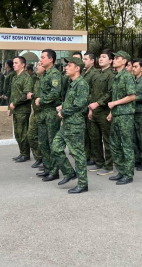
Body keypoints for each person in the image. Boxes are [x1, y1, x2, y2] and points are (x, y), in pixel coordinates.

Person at [51, 57, 90, 193]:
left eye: (69, 65)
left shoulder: (81, 84)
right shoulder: (71, 83)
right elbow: (72, 101)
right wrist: (62, 106)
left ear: (77, 68)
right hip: (66, 124)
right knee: (55, 148)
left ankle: (83, 184)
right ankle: (69, 172)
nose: (66, 68)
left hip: (75, 125)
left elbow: (80, 104)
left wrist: (63, 112)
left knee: (77, 154)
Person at [35, 49, 73, 182]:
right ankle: (47, 168)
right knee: (43, 142)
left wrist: (41, 100)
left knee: (52, 142)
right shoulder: (44, 74)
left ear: (51, 59)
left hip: (51, 112)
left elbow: (55, 93)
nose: (41, 60)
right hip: (43, 113)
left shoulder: (55, 74)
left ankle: (54, 171)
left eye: (43, 57)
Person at [107, 50, 136, 185]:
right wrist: (111, 112)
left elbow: (132, 96)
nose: (114, 60)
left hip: (125, 115)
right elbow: (115, 97)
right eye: (114, 58)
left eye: (117, 58)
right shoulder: (117, 76)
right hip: (117, 115)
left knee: (127, 145)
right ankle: (121, 171)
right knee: (114, 144)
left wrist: (115, 104)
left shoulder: (127, 76)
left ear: (124, 61)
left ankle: (128, 174)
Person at [88, 49, 115, 176]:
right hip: (95, 112)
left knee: (107, 139)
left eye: (104, 57)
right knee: (95, 138)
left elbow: (110, 93)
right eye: (100, 57)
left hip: (104, 111)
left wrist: (98, 103)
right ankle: (99, 162)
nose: (101, 59)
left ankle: (109, 165)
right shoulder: (97, 74)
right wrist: (90, 109)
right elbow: (92, 93)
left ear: (110, 60)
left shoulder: (111, 75)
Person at [8, 56, 33, 163]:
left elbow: (26, 95)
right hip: (16, 109)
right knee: (18, 133)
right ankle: (22, 152)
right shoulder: (15, 77)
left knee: (23, 133)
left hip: (23, 109)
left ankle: (25, 154)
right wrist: (10, 107)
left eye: (16, 63)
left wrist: (15, 103)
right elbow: (13, 94)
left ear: (23, 65)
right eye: (13, 63)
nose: (14, 64)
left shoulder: (26, 77)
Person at [82, 52, 100, 167]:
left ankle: (94, 157)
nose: (84, 61)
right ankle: (87, 155)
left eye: (86, 59)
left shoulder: (95, 74)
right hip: (83, 107)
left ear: (92, 61)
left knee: (93, 134)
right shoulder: (84, 73)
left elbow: (94, 92)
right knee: (85, 134)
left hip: (90, 107)